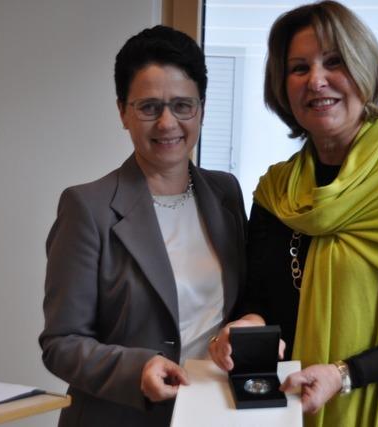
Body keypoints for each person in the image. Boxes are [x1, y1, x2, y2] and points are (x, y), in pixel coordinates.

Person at [209, 2, 378, 426]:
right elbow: (263, 298)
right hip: (298, 402)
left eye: (334, 61)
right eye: (299, 68)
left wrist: (345, 374)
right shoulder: (277, 191)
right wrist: (246, 324)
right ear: (282, 87)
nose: (316, 80)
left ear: (363, 68)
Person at [39, 25, 247, 427]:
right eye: (149, 107)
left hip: (212, 413)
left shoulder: (226, 193)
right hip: (119, 417)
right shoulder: (87, 207)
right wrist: (137, 370)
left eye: (182, 105)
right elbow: (61, 343)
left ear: (202, 109)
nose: (168, 123)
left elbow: (239, 306)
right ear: (123, 112)